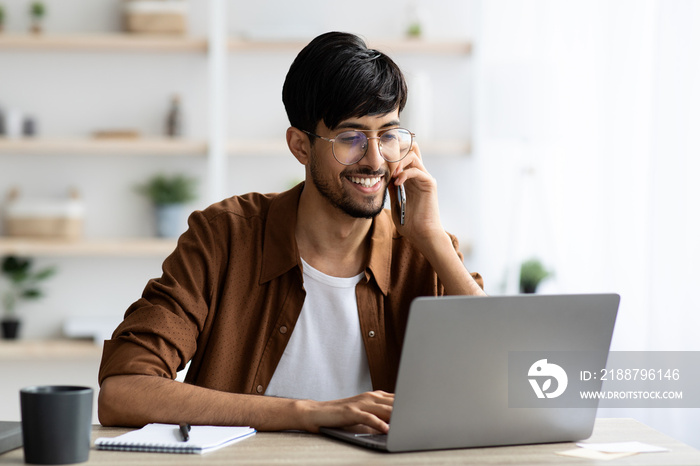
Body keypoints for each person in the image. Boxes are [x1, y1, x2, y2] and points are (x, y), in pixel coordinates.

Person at [97, 31, 485, 434]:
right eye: (350, 138)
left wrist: (435, 241)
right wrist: (305, 414)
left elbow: (506, 383)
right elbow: (123, 392)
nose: (374, 159)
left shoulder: (424, 248)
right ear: (300, 146)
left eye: (388, 135)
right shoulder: (224, 237)